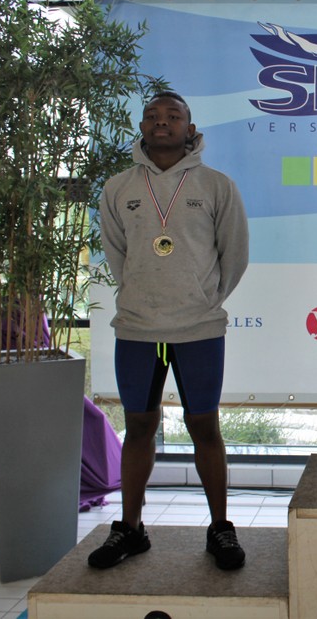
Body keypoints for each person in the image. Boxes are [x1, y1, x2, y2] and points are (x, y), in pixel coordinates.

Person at [90, 91, 250, 570]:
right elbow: (116, 254)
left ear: (190, 128)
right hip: (137, 328)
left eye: (173, 115)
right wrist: (141, 295)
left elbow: (234, 253)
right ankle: (131, 529)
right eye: (153, 116)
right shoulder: (118, 187)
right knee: (139, 426)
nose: (162, 122)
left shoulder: (216, 185)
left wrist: (205, 300)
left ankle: (220, 528)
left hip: (199, 328)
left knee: (205, 426)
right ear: (142, 126)